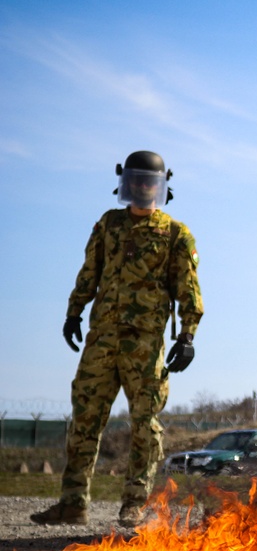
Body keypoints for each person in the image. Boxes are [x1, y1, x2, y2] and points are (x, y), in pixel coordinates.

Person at [30, 150, 203, 528]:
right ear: (125, 182)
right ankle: (73, 503)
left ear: (161, 187)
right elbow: (90, 270)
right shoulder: (108, 224)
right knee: (84, 421)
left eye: (149, 181)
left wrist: (187, 335)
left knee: (145, 425)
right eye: (136, 180)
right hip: (101, 340)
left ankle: (134, 503)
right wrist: (74, 311)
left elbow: (188, 288)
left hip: (144, 345)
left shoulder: (175, 233)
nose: (142, 186)